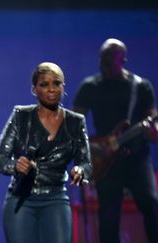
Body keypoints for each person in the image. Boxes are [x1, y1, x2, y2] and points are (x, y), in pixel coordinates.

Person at [0, 62, 93, 243]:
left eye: (57, 83)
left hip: (56, 199)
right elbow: (0, 159)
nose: (51, 89)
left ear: (64, 86)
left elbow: (86, 162)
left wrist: (80, 170)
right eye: (44, 84)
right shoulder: (20, 116)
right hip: (21, 200)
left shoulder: (75, 122)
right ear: (34, 89)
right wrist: (16, 165)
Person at [73, 38, 158, 243]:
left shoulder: (141, 87)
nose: (105, 67)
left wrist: (152, 132)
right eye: (102, 62)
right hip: (106, 161)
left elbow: (153, 123)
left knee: (151, 204)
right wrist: (90, 150)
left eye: (110, 63)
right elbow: (74, 124)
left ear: (123, 61)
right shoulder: (91, 86)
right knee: (108, 217)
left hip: (137, 157)